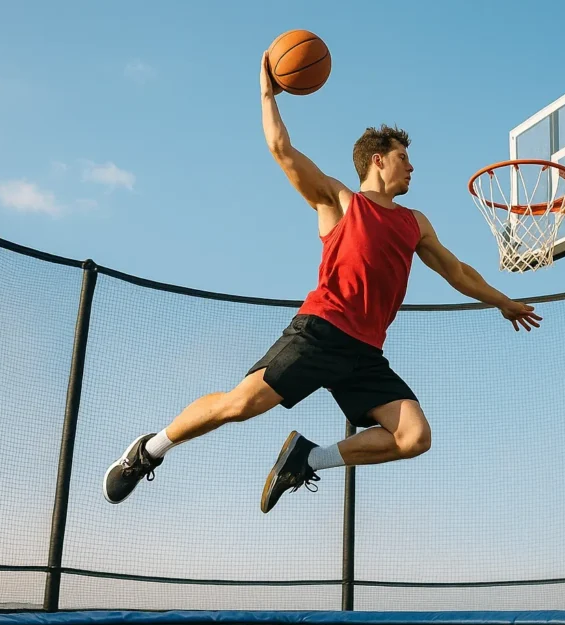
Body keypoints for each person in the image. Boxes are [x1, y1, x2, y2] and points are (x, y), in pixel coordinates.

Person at [102, 52, 542, 512]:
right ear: (378, 160)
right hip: (321, 331)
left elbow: (457, 271)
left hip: (364, 353)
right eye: (403, 158)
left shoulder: (416, 223)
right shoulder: (340, 201)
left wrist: (502, 301)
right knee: (239, 406)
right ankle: (148, 451)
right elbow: (281, 150)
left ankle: (306, 458)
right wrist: (268, 94)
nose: (411, 167)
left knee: (414, 437)